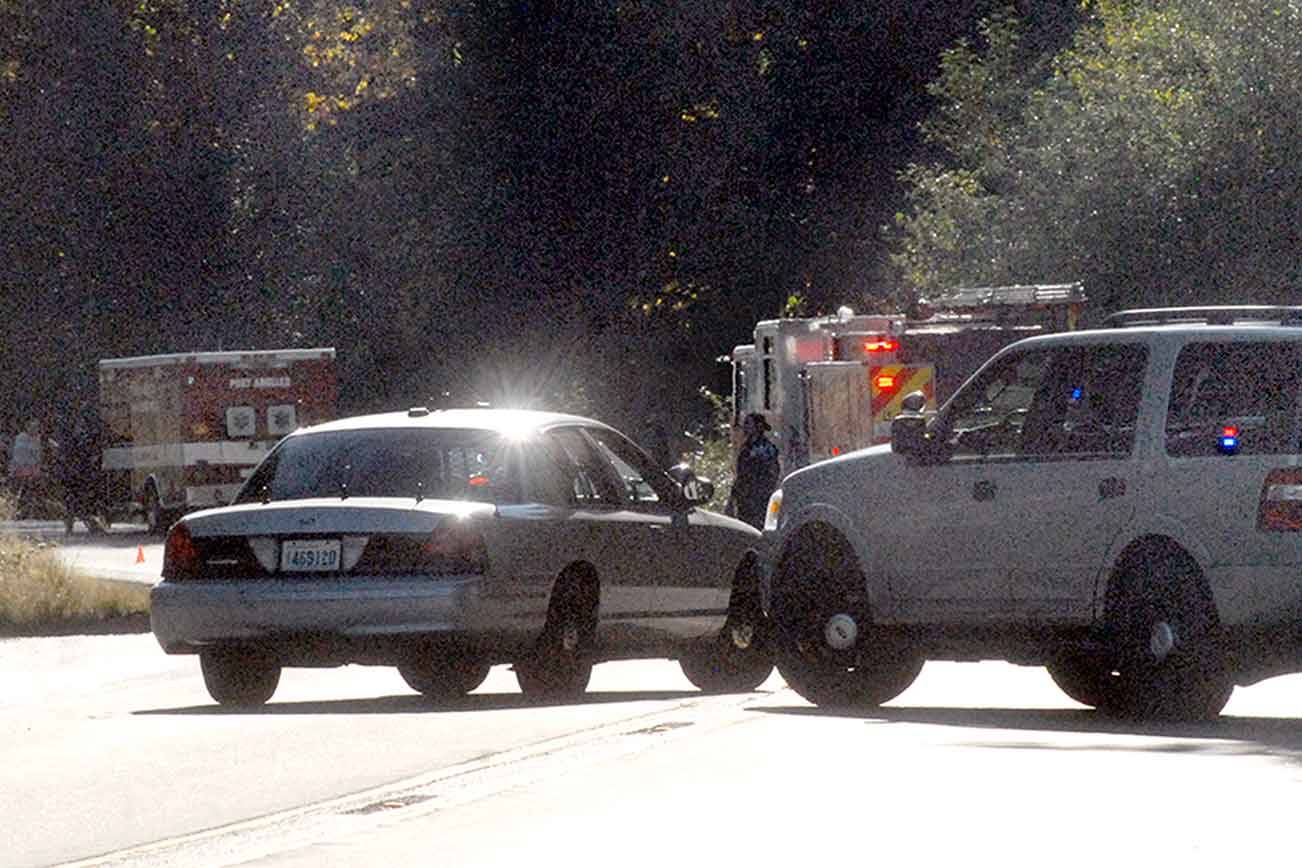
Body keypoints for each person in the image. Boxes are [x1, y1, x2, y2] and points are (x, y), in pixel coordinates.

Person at [729, 412, 780, 529]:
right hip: (745, 497)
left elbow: (773, 472)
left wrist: (764, 491)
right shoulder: (746, 447)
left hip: (759, 497)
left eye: (748, 424)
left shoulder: (766, 449)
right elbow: (741, 473)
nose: (745, 428)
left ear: (759, 427)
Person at [9, 418, 45, 518]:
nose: (35, 429)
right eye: (33, 427)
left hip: (34, 469)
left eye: (37, 427)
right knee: (21, 491)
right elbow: (19, 455)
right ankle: (16, 511)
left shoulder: (38, 439)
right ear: (27, 427)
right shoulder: (21, 438)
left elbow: (38, 455)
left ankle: (32, 512)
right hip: (21, 469)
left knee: (34, 491)